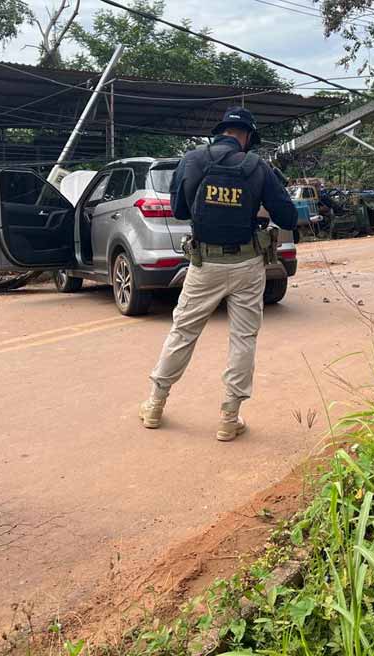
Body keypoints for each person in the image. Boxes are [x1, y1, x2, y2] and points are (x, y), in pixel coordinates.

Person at [139, 107, 297, 440]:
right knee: (242, 340)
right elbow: (287, 215)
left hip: (203, 265)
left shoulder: (192, 159)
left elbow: (180, 210)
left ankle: (155, 404)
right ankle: (229, 418)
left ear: (220, 131)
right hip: (247, 265)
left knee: (182, 332)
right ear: (248, 138)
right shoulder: (257, 166)